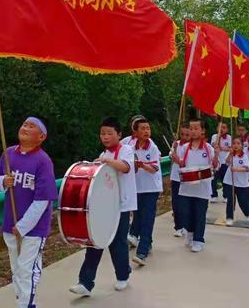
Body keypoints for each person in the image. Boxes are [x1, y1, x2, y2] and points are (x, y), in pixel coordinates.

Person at [0, 116, 58, 308]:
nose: (25, 128)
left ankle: (27, 304)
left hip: (34, 227)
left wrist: (23, 226)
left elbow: (43, 200)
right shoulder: (9, 153)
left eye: (31, 127)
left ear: (41, 136)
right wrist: (4, 181)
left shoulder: (43, 161)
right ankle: (23, 299)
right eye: (24, 125)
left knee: (26, 268)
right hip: (10, 221)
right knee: (16, 268)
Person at [70, 117, 137, 296]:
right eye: (102, 133)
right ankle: (85, 282)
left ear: (119, 135)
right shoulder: (103, 155)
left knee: (118, 243)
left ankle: (123, 276)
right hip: (105, 206)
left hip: (122, 205)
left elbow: (125, 167)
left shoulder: (126, 150)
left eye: (109, 133)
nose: (105, 137)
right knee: (95, 241)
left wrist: (105, 162)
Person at [171, 118, 218, 253]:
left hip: (202, 188)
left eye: (196, 128)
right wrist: (175, 159)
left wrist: (216, 156)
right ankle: (190, 234)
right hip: (186, 187)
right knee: (185, 213)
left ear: (202, 131)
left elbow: (216, 166)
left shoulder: (208, 148)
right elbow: (182, 163)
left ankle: (198, 239)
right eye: (191, 128)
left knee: (199, 214)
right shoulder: (184, 148)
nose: (193, 131)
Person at [128, 118, 162, 266]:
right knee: (139, 216)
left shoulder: (152, 147)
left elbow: (154, 168)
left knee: (148, 218)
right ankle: (146, 241)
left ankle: (142, 252)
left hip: (151, 188)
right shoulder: (129, 145)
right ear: (135, 132)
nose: (146, 131)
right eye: (143, 128)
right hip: (136, 188)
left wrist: (141, 165)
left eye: (148, 128)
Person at [224, 137, 249, 226]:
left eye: (238, 143)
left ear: (242, 146)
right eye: (234, 143)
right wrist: (230, 154)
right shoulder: (230, 154)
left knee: (242, 201)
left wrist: (236, 169)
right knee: (230, 200)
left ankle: (247, 213)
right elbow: (227, 162)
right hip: (230, 181)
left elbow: (247, 168)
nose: (236, 145)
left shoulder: (244, 156)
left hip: (241, 183)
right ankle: (229, 217)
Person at [170, 123, 190, 237]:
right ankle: (178, 226)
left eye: (187, 134)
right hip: (176, 178)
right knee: (176, 204)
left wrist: (178, 160)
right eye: (182, 134)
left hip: (187, 178)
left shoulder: (191, 146)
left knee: (185, 204)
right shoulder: (176, 144)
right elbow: (171, 156)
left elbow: (185, 162)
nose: (184, 136)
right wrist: (174, 149)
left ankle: (186, 225)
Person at [210, 122, 232, 203]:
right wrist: (218, 138)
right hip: (216, 162)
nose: (222, 129)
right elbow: (214, 145)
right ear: (217, 128)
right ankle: (213, 195)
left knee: (225, 180)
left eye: (224, 127)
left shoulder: (229, 137)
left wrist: (222, 148)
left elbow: (230, 148)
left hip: (225, 162)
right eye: (220, 127)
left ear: (227, 129)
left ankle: (226, 195)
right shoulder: (214, 136)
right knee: (214, 179)